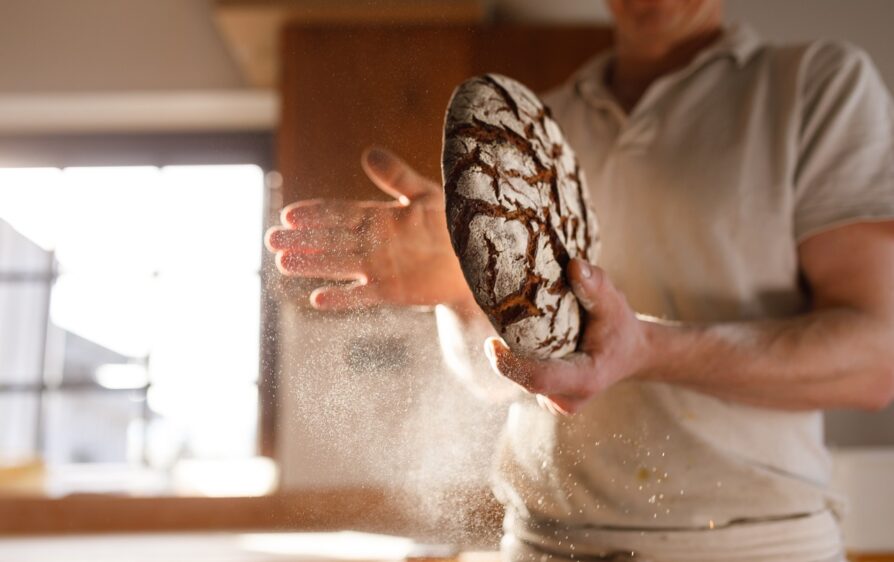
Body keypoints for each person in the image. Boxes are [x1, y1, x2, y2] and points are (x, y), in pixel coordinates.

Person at [266, 0, 894, 560]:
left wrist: (646, 350)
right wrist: (464, 291)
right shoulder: (538, 125)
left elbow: (875, 361)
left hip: (749, 544)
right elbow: (504, 381)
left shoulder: (814, 87)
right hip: (542, 543)